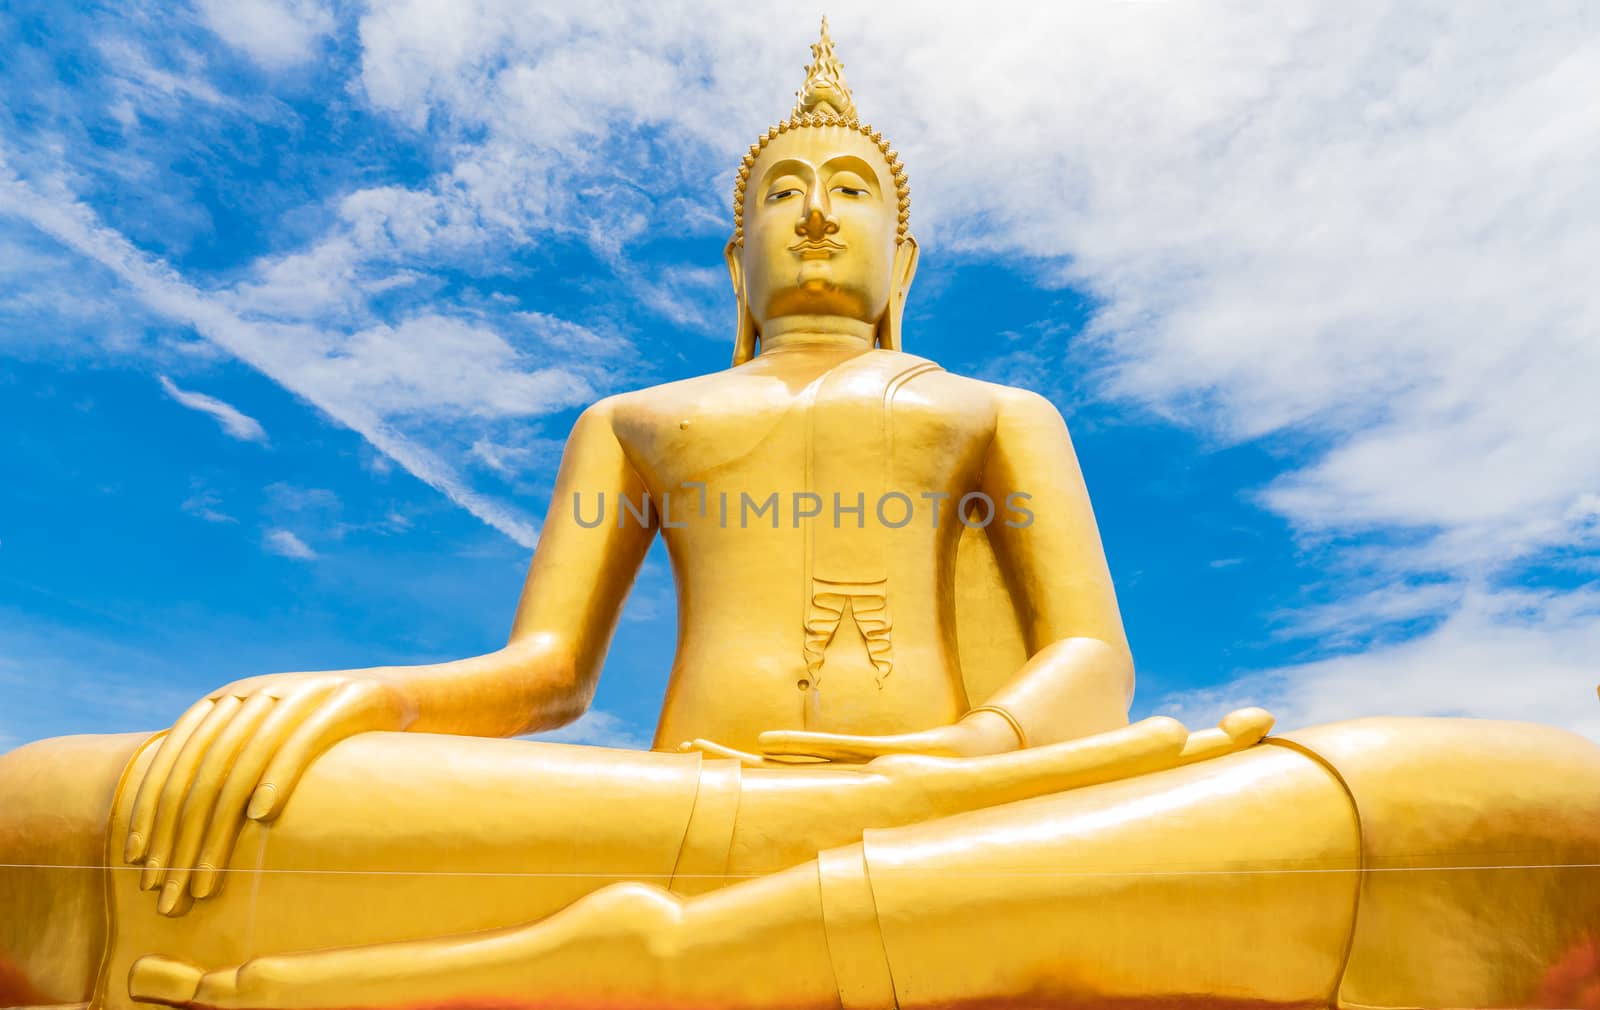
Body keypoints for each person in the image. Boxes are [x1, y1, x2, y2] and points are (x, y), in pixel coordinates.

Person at [2, 21, 1596, 1010]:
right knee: (86, 813)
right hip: (676, 812)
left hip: (973, 818)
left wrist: (945, 765)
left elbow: (1092, 661)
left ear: (905, 260)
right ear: (732, 261)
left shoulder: (990, 407)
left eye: (853, 191)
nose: (817, 208)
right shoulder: (638, 422)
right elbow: (545, 675)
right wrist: (356, 702)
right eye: (782, 191)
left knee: (1521, 810)